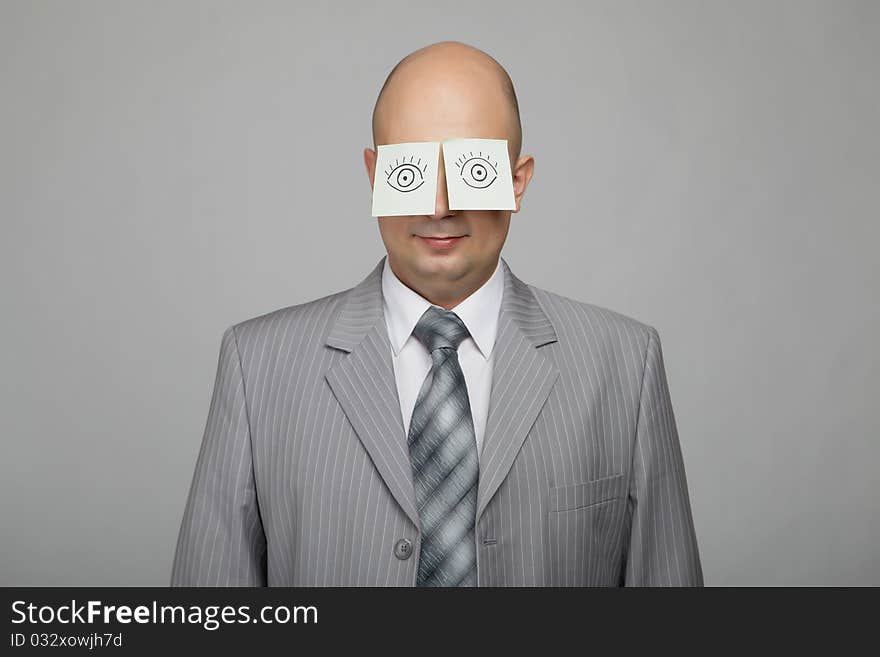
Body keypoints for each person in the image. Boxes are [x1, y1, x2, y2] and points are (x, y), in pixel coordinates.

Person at [171, 41, 703, 586]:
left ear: (517, 180)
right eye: (412, 169)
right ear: (376, 175)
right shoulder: (257, 365)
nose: (440, 205)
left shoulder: (623, 363)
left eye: (474, 169)